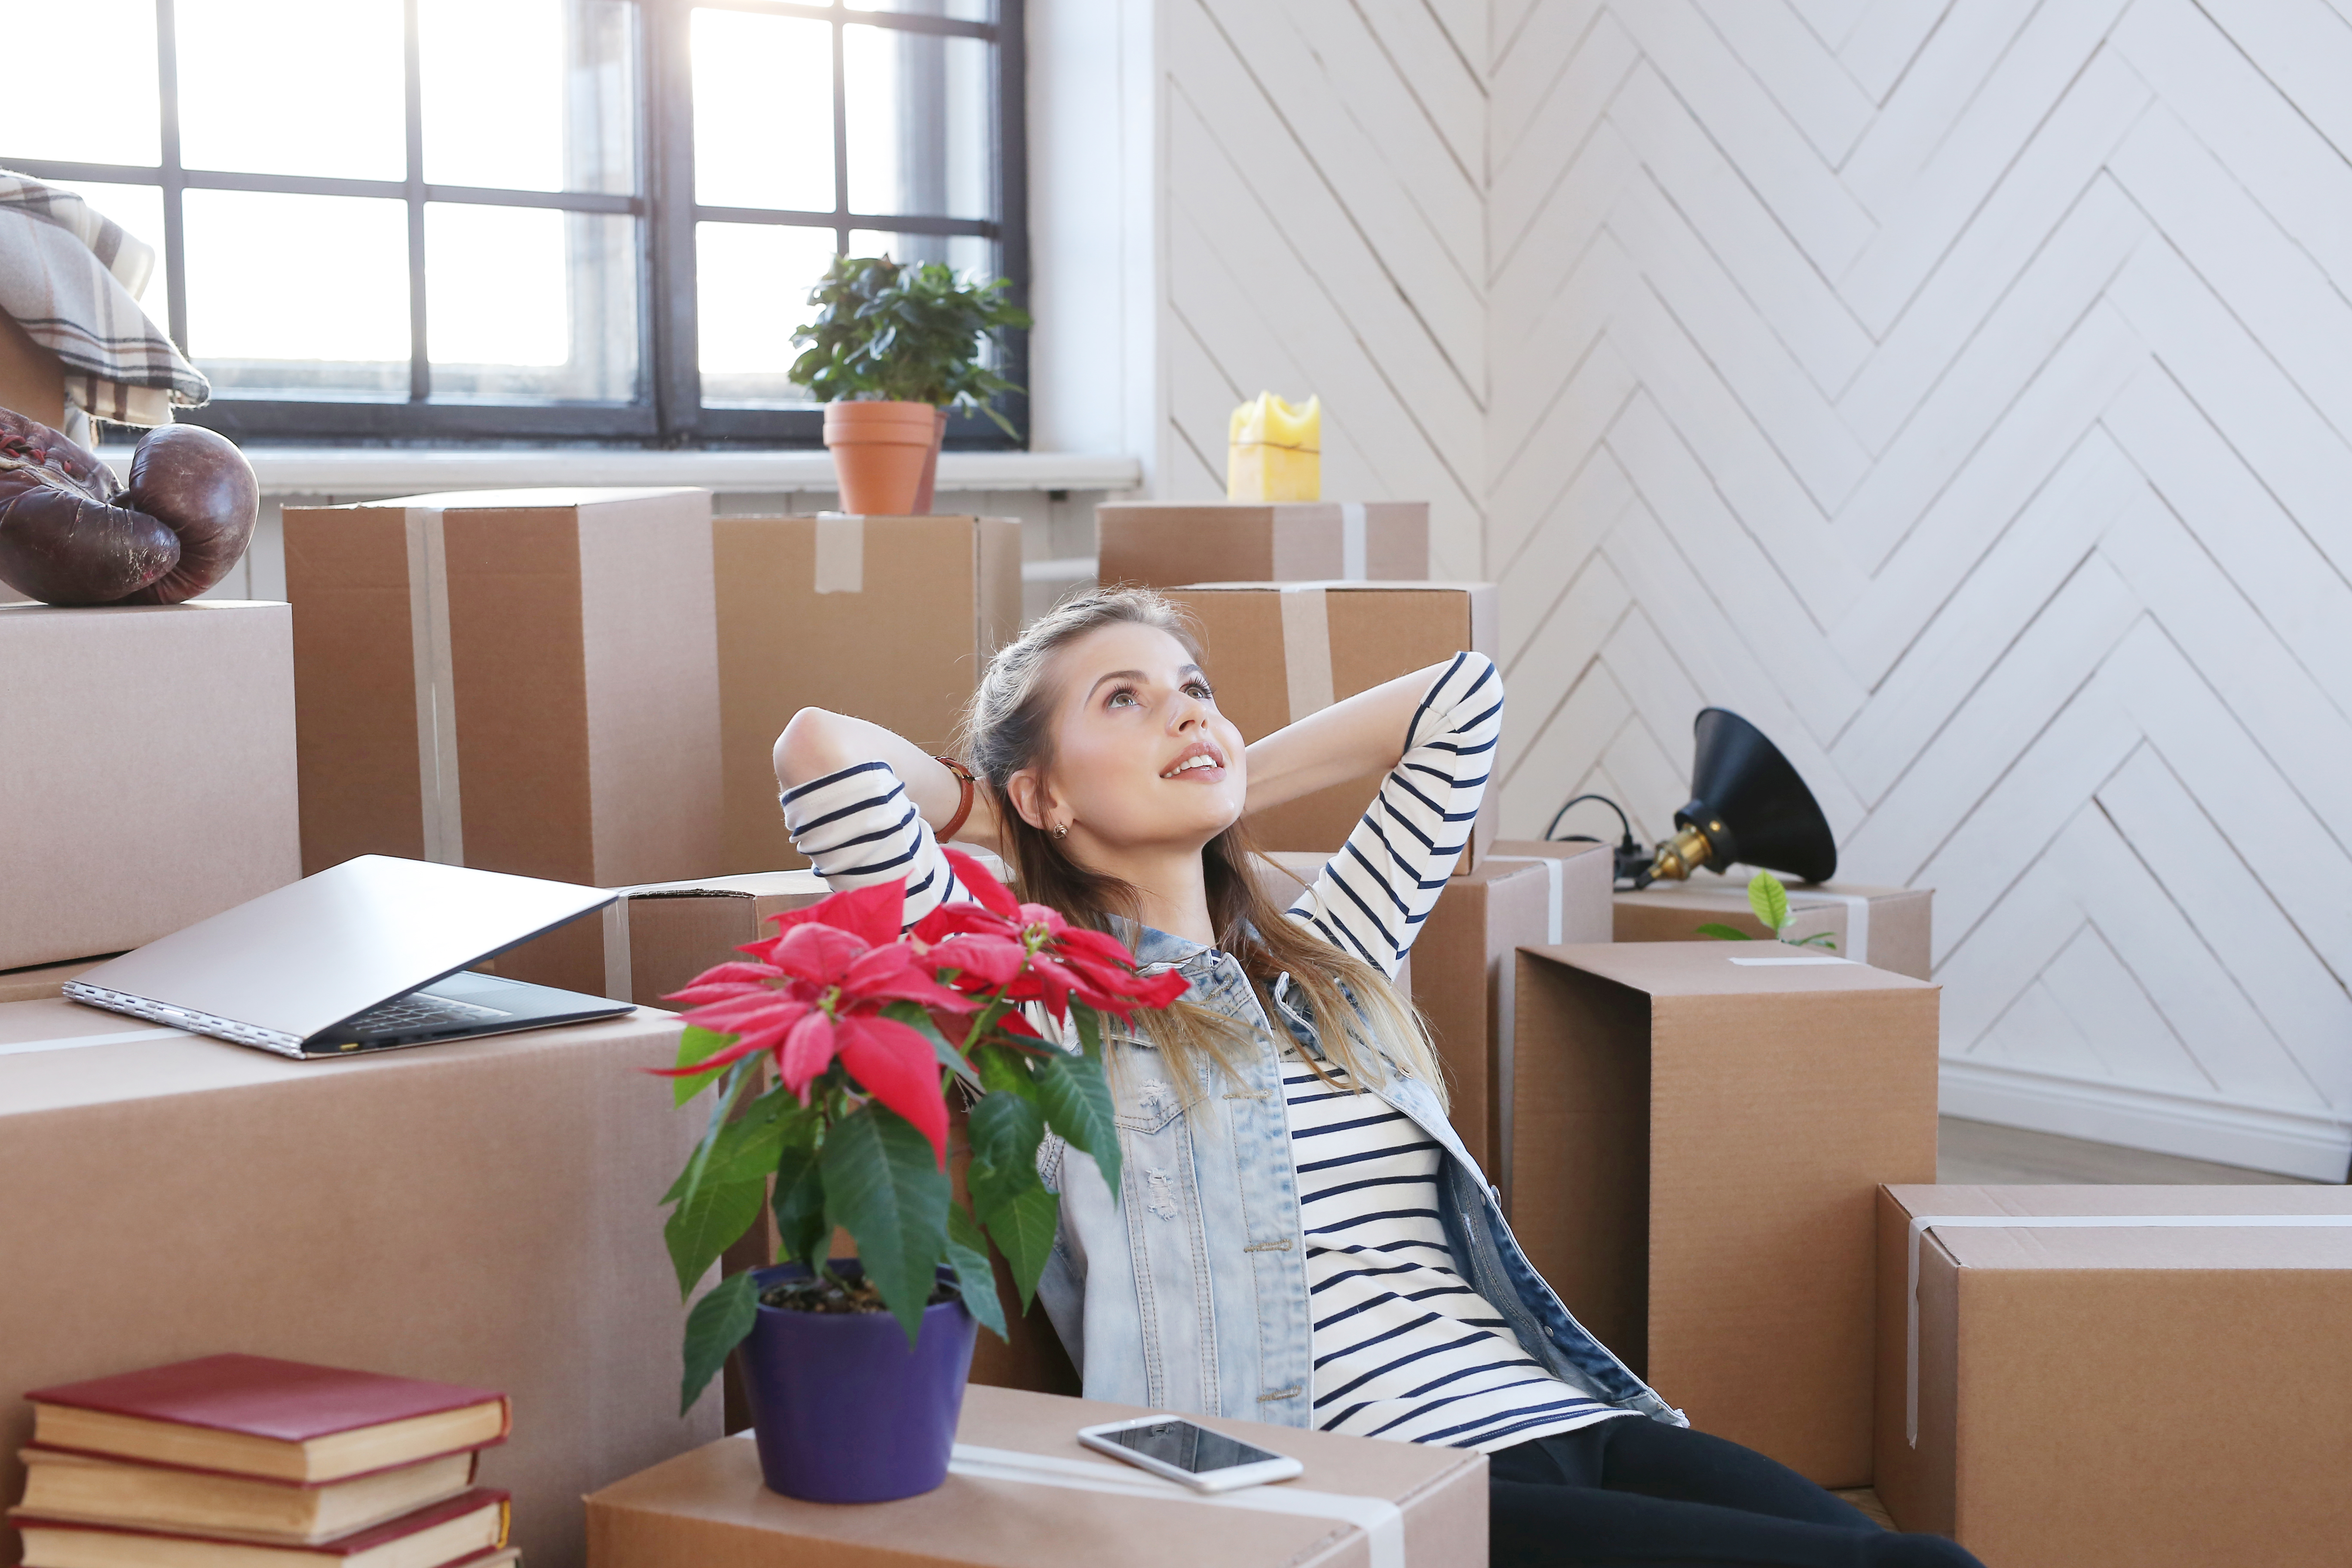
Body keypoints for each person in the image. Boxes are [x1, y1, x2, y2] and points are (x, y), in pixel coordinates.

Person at [773, 588, 1980, 1568]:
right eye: (1125, 701)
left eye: (1197, 691)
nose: (1187, 714)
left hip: (1565, 1416)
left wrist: (1217, 769)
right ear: (1043, 789)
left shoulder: (1334, 960)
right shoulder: (1044, 1001)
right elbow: (819, 752)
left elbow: (1463, 698)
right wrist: (994, 810)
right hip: (1357, 1489)